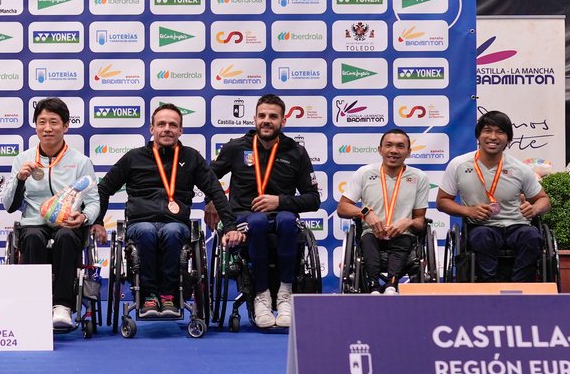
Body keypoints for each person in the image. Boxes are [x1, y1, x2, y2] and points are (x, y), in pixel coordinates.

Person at [93, 104, 244, 318]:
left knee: (172, 232)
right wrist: (98, 220)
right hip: (139, 222)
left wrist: (229, 226)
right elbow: (104, 188)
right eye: (161, 124)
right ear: (151, 129)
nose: (167, 129)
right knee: (146, 231)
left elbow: (215, 191)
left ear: (180, 131)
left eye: (173, 125)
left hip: (176, 224)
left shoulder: (191, 157)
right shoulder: (134, 157)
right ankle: (148, 295)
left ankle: (168, 296)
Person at [207, 93, 320, 328]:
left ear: (283, 121)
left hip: (282, 218)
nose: (266, 121)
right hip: (244, 217)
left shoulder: (296, 152)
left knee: (288, 220)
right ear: (255, 119)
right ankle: (261, 295)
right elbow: (206, 178)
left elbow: (313, 200)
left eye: (273, 116)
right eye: (262, 116)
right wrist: (211, 202)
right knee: (257, 221)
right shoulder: (236, 148)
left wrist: (280, 201)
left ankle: (285, 293)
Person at [3, 97, 99, 329]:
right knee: (34, 237)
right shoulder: (23, 159)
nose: (47, 128)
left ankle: (62, 306)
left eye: (54, 122)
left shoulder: (80, 161)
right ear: (35, 125)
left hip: (68, 223)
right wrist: (19, 179)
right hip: (34, 222)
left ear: (66, 126)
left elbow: (94, 201)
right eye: (42, 122)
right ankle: (37, 304)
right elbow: (8, 205)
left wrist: (84, 217)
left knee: (66, 237)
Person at [437, 110, 551, 282]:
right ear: (478, 135)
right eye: (487, 130)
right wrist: (469, 211)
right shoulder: (458, 165)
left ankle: (520, 287)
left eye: (500, 132)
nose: (493, 136)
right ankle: (489, 287)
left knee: (532, 237)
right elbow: (442, 201)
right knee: (482, 237)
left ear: (508, 138)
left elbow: (544, 200)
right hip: (482, 226)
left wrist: (534, 209)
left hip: (517, 225)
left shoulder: (520, 168)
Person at [336, 129, 429, 294]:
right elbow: (342, 208)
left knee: (404, 240)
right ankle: (373, 285)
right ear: (380, 150)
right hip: (372, 234)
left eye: (400, 146)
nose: (394, 150)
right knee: (368, 239)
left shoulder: (419, 177)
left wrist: (409, 222)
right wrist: (365, 213)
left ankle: (391, 285)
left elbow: (420, 221)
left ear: (408, 152)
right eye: (389, 145)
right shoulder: (364, 173)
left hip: (402, 235)